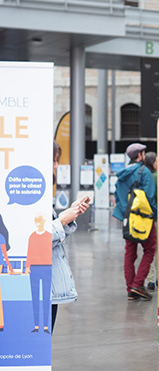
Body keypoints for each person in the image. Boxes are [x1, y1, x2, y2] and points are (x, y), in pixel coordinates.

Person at [51, 141, 90, 333]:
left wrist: (66, 217)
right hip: (40, 284)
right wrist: (61, 221)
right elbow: (32, 238)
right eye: (54, 160)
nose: (56, 166)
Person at [113, 143, 157, 300]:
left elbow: (117, 198)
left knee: (129, 254)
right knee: (150, 249)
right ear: (140, 155)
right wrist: (154, 215)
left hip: (127, 219)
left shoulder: (122, 175)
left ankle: (130, 289)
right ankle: (138, 285)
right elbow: (150, 196)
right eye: (143, 153)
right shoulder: (143, 172)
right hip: (143, 219)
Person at [26, 213, 53, 333]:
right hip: (34, 269)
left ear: (44, 221)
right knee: (35, 297)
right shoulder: (32, 236)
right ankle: (37, 326)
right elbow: (29, 252)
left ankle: (46, 326)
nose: (37, 223)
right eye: (36, 221)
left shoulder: (49, 236)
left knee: (47, 297)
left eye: (39, 221)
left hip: (47, 268)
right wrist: (27, 266)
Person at [144, 151, 158, 292]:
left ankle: (150, 279)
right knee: (158, 249)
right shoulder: (156, 177)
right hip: (156, 217)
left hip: (144, 218)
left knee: (148, 250)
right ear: (154, 163)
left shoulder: (143, 176)